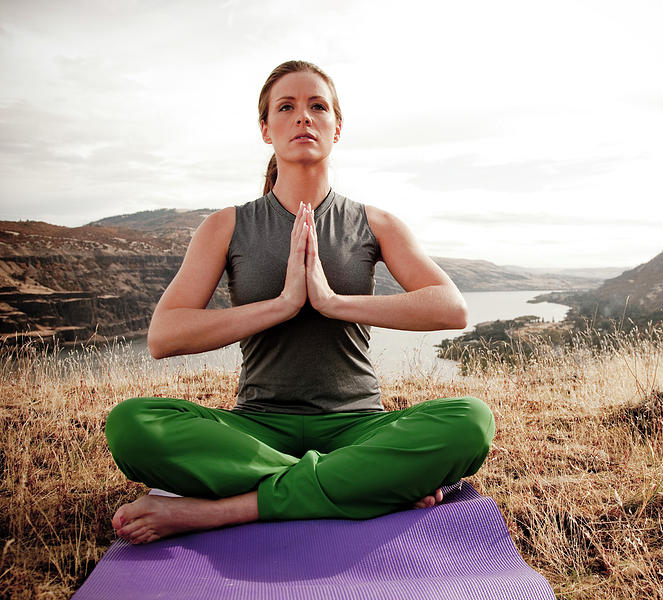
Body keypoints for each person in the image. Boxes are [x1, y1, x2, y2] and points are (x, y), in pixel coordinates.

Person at [104, 60, 495, 545]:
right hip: (256, 429)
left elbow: (449, 308)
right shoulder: (226, 226)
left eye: (317, 107)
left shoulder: (375, 223)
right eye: (286, 107)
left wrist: (332, 302)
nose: (303, 118)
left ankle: (225, 510)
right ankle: (359, 482)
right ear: (266, 130)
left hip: (358, 426)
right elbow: (164, 336)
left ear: (337, 127)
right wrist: (282, 304)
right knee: (131, 425)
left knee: (471, 422)